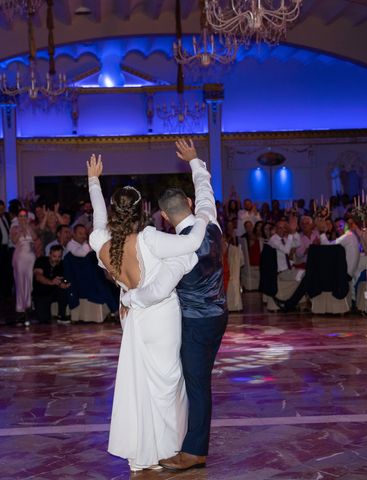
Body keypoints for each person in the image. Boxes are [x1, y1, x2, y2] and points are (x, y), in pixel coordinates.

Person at [87, 149, 210, 472]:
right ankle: (166, 450)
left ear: (115, 213)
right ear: (143, 210)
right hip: (161, 320)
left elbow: (98, 219)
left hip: (134, 321)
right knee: (167, 386)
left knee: (139, 385)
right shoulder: (149, 239)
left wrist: (93, 182)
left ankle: (142, 453)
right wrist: (202, 220)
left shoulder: (101, 243)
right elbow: (192, 243)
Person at [120, 139, 226, 472]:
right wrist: (195, 161)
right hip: (220, 315)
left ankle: (194, 450)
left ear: (164, 216)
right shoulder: (210, 220)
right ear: (190, 204)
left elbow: (156, 290)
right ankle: (186, 441)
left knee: (196, 385)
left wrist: (128, 297)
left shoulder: (179, 248)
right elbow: (206, 191)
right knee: (196, 382)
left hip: (195, 322)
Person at [11, 209, 37, 324]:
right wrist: (20, 231)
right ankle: (21, 308)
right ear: (17, 218)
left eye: (24, 216)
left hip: (30, 258)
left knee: (29, 281)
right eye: (20, 216)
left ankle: (28, 306)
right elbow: (14, 241)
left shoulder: (31, 227)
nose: (22, 218)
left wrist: (28, 228)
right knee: (20, 282)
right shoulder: (14, 228)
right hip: (20, 257)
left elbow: (35, 238)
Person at [33, 245, 70, 323]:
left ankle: (62, 315)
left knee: (64, 290)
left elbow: (62, 279)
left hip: (53, 292)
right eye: (54, 256)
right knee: (43, 320)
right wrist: (51, 282)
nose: (57, 259)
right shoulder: (41, 261)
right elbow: (38, 276)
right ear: (49, 254)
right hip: (41, 293)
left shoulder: (61, 264)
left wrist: (63, 284)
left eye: (59, 256)